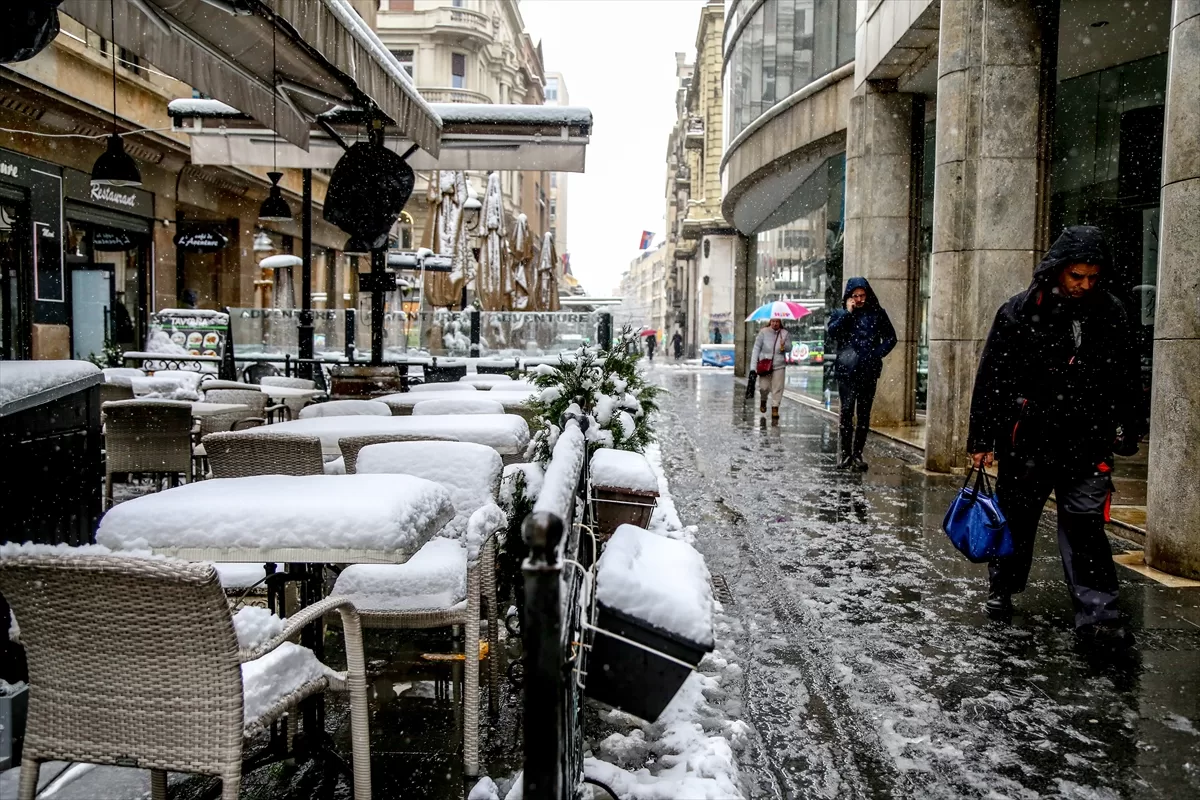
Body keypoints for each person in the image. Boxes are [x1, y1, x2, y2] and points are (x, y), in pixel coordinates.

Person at [967, 225, 1143, 642]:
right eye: (1076, 276)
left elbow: (1126, 378)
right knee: (1018, 520)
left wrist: (1127, 427)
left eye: (1092, 278)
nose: (1084, 285)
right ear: (1058, 270)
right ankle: (1003, 586)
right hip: (1028, 439)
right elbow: (992, 376)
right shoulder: (1018, 311)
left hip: (1087, 441)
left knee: (1085, 525)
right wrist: (981, 440)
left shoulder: (1112, 313)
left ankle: (1098, 610)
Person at [826, 278, 897, 471]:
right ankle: (846, 455)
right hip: (847, 371)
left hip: (868, 370)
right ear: (849, 296)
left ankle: (857, 454)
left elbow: (891, 338)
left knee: (864, 414)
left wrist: (876, 354)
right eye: (855, 296)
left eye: (862, 295)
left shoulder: (877, 314)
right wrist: (848, 313)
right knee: (847, 412)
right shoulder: (840, 313)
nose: (859, 299)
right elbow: (833, 333)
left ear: (867, 294)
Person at [750, 317, 792, 422]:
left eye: (777, 321)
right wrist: (753, 367)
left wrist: (784, 345)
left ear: (780, 322)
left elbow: (790, 348)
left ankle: (775, 408)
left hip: (779, 365)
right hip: (765, 364)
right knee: (764, 387)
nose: (775, 324)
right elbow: (756, 349)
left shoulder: (785, 333)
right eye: (773, 321)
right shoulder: (763, 332)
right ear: (770, 322)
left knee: (777, 388)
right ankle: (763, 399)